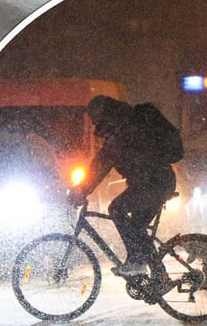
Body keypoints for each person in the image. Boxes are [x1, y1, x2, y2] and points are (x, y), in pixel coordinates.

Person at [69, 95, 180, 276]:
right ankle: (160, 276)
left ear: (105, 116)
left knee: (117, 209)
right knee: (137, 229)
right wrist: (82, 189)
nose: (95, 124)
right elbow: (101, 163)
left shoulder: (122, 132)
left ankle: (137, 262)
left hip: (153, 183)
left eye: (95, 119)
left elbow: (100, 166)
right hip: (156, 182)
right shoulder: (125, 127)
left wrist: (81, 191)